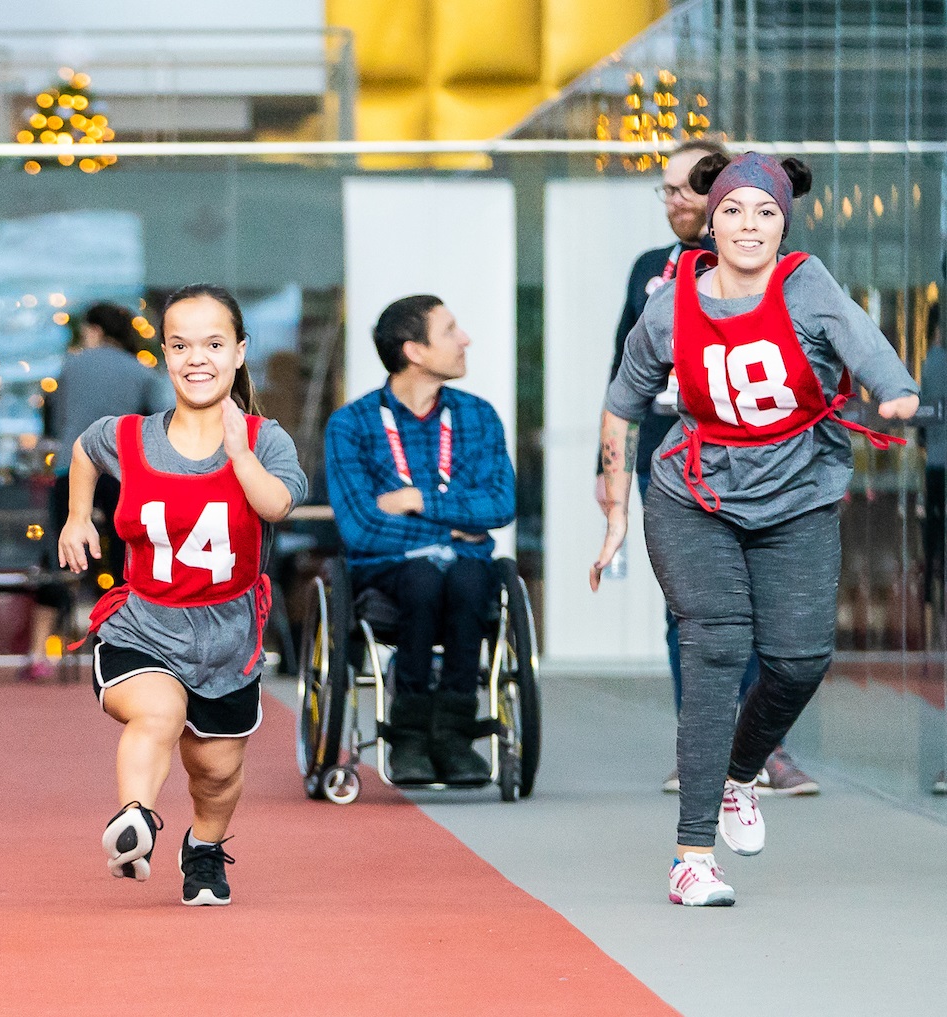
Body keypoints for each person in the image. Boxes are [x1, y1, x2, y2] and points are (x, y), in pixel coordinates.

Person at [593, 152, 917, 907]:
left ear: (783, 222)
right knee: (714, 647)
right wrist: (614, 510)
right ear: (710, 220)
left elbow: (862, 344)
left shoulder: (806, 284)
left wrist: (894, 391)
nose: (748, 224)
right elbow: (621, 404)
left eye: (764, 212)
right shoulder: (670, 302)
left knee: (800, 657)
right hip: (693, 494)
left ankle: (743, 770)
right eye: (733, 210)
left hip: (797, 495)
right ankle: (691, 854)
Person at [59, 284, 304, 907]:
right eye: (181, 345)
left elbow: (277, 503)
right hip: (144, 623)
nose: (198, 358)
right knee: (157, 714)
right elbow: (86, 448)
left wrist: (240, 454)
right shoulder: (132, 436)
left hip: (228, 635)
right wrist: (76, 518)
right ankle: (134, 819)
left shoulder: (267, 440)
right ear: (165, 355)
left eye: (214, 344)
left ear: (240, 353)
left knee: (216, 773)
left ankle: (203, 849)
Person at [603, 140, 819, 796]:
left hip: (761, 463)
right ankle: (697, 742)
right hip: (668, 464)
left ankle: (761, 749)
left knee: (761, 607)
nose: (672, 201)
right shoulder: (650, 270)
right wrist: (606, 466)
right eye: (665, 189)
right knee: (691, 613)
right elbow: (624, 372)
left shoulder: (780, 275)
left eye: (684, 188)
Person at [324, 297, 516, 787]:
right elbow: (361, 528)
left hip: (466, 568)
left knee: (473, 580)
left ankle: (453, 735)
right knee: (423, 577)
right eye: (451, 330)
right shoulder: (352, 425)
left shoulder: (478, 417)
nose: (465, 339)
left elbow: (498, 505)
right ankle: (408, 735)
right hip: (390, 573)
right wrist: (452, 525)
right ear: (414, 350)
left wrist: (415, 499)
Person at [24, 302, 171, 680]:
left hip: (71, 468)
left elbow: (53, 419)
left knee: (62, 556)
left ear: (94, 330)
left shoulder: (70, 366)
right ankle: (129, 645)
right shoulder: (140, 371)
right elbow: (160, 421)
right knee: (128, 557)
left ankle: (40, 653)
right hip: (126, 473)